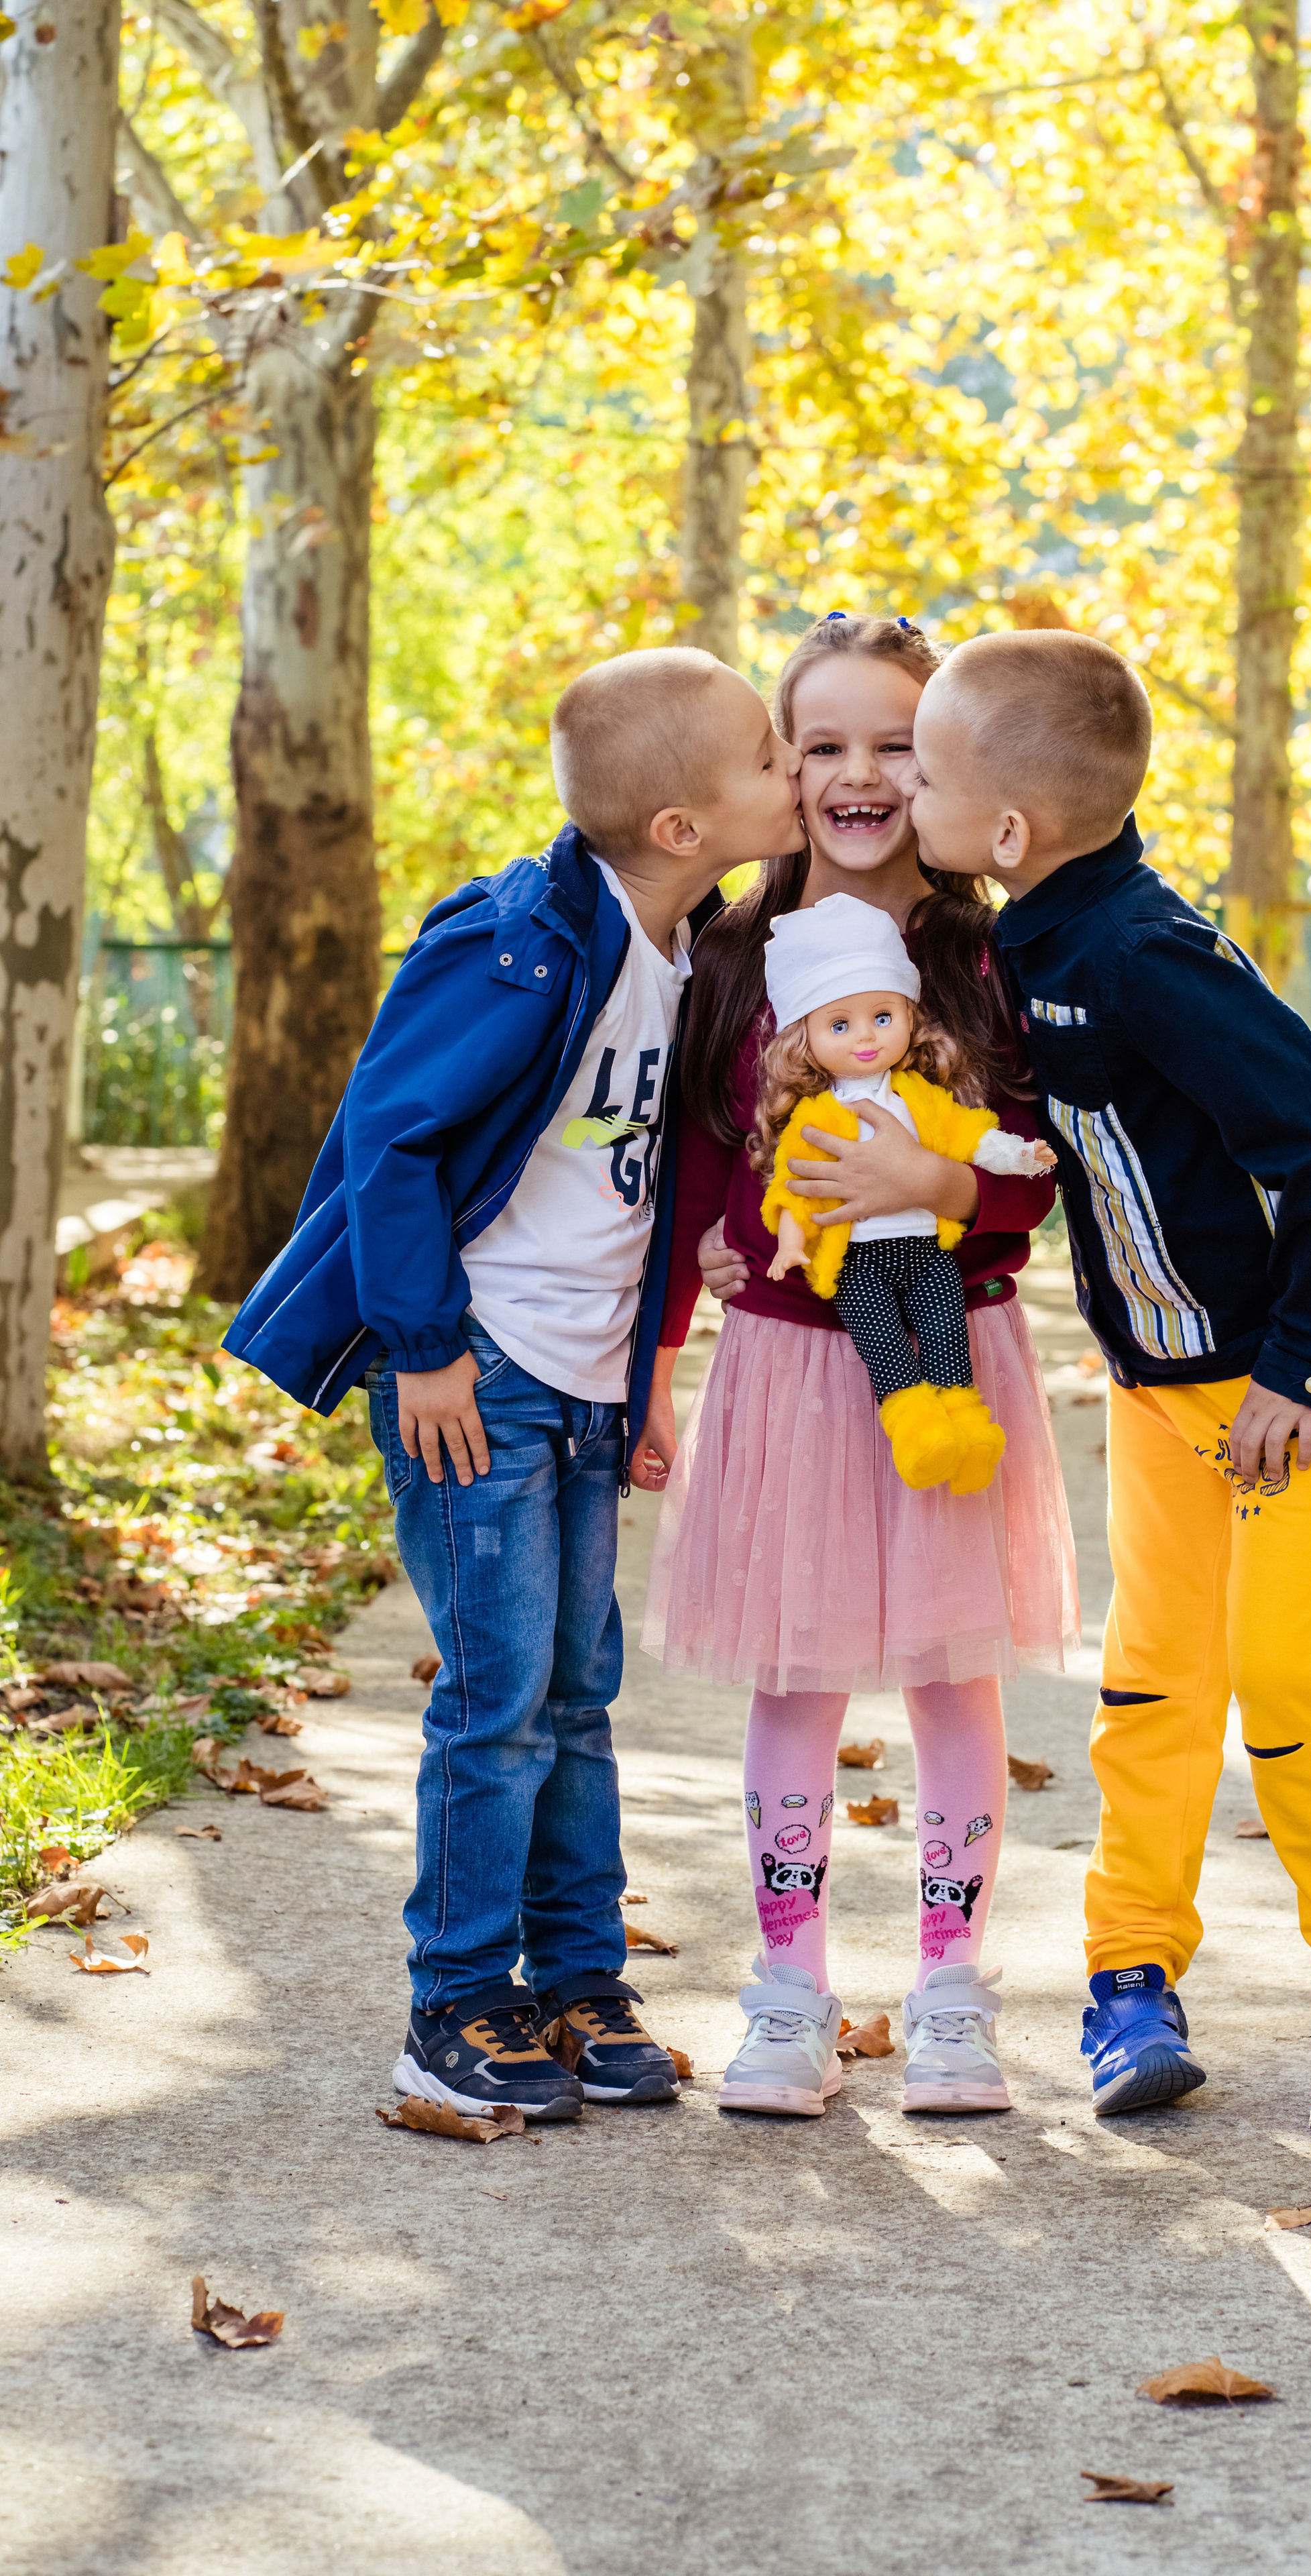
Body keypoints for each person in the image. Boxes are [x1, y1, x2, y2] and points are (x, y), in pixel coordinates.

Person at [225, 647, 804, 2125]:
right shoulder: (516, 942)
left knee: (576, 1691)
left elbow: (643, 1192)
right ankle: (456, 2000)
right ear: (681, 826)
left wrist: (649, 1369)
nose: (793, 772)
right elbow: (390, 1139)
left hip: (588, 1380)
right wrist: (422, 1345)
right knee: (496, 1702)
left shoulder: (692, 952)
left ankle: (579, 1977)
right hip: (477, 1374)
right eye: (768, 756)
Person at [907, 627, 1311, 2140]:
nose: (914, 797)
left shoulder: (1145, 955)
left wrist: (1299, 1369)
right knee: (1153, 1681)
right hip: (1158, 1382)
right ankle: (1128, 1978)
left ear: (1010, 832)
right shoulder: (1020, 942)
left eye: (928, 777)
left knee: (1282, 1680)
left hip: (1285, 1380)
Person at [640, 611, 1079, 2119]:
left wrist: (939, 1187)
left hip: (952, 1360)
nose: (859, 775)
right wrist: (670, 1338)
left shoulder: (986, 956)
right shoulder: (730, 955)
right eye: (821, 744)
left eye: (896, 742)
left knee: (955, 1672)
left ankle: (953, 1990)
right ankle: (790, 1990)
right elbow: (700, 1171)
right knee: (794, 1674)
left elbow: (1031, 1171)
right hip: (785, 1370)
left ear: (946, 758)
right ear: (783, 766)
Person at [754, 892, 1053, 1491]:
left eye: (883, 1017)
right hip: (858, 1265)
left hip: (927, 1253)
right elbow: (792, 1188)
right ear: (805, 1038)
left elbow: (970, 1135)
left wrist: (1021, 1157)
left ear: (910, 1016)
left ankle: (968, 1435)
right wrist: (790, 1242)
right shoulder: (816, 1116)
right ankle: (919, 1435)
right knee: (886, 1352)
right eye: (840, 1025)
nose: (865, 1038)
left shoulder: (921, 1098)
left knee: (947, 1341)